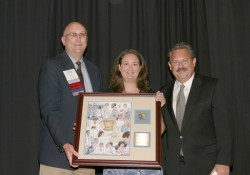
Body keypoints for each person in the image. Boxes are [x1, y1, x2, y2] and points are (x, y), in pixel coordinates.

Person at [38, 21, 103, 175]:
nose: (78, 39)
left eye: (82, 35)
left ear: (87, 40)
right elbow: (49, 110)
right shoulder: (52, 66)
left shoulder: (94, 71)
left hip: (87, 158)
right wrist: (65, 144)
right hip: (57, 157)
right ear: (63, 40)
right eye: (73, 34)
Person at [160, 42, 233, 175]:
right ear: (170, 66)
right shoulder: (163, 92)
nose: (180, 66)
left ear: (194, 62)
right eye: (175, 62)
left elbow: (224, 128)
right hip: (174, 166)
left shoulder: (212, 87)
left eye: (185, 61)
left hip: (207, 165)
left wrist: (223, 161)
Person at [103, 49, 166, 175]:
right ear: (119, 67)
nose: (130, 68)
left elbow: (160, 131)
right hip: (115, 163)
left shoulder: (151, 96)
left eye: (135, 64)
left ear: (141, 68)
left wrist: (159, 107)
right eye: (126, 64)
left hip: (145, 163)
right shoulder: (107, 97)